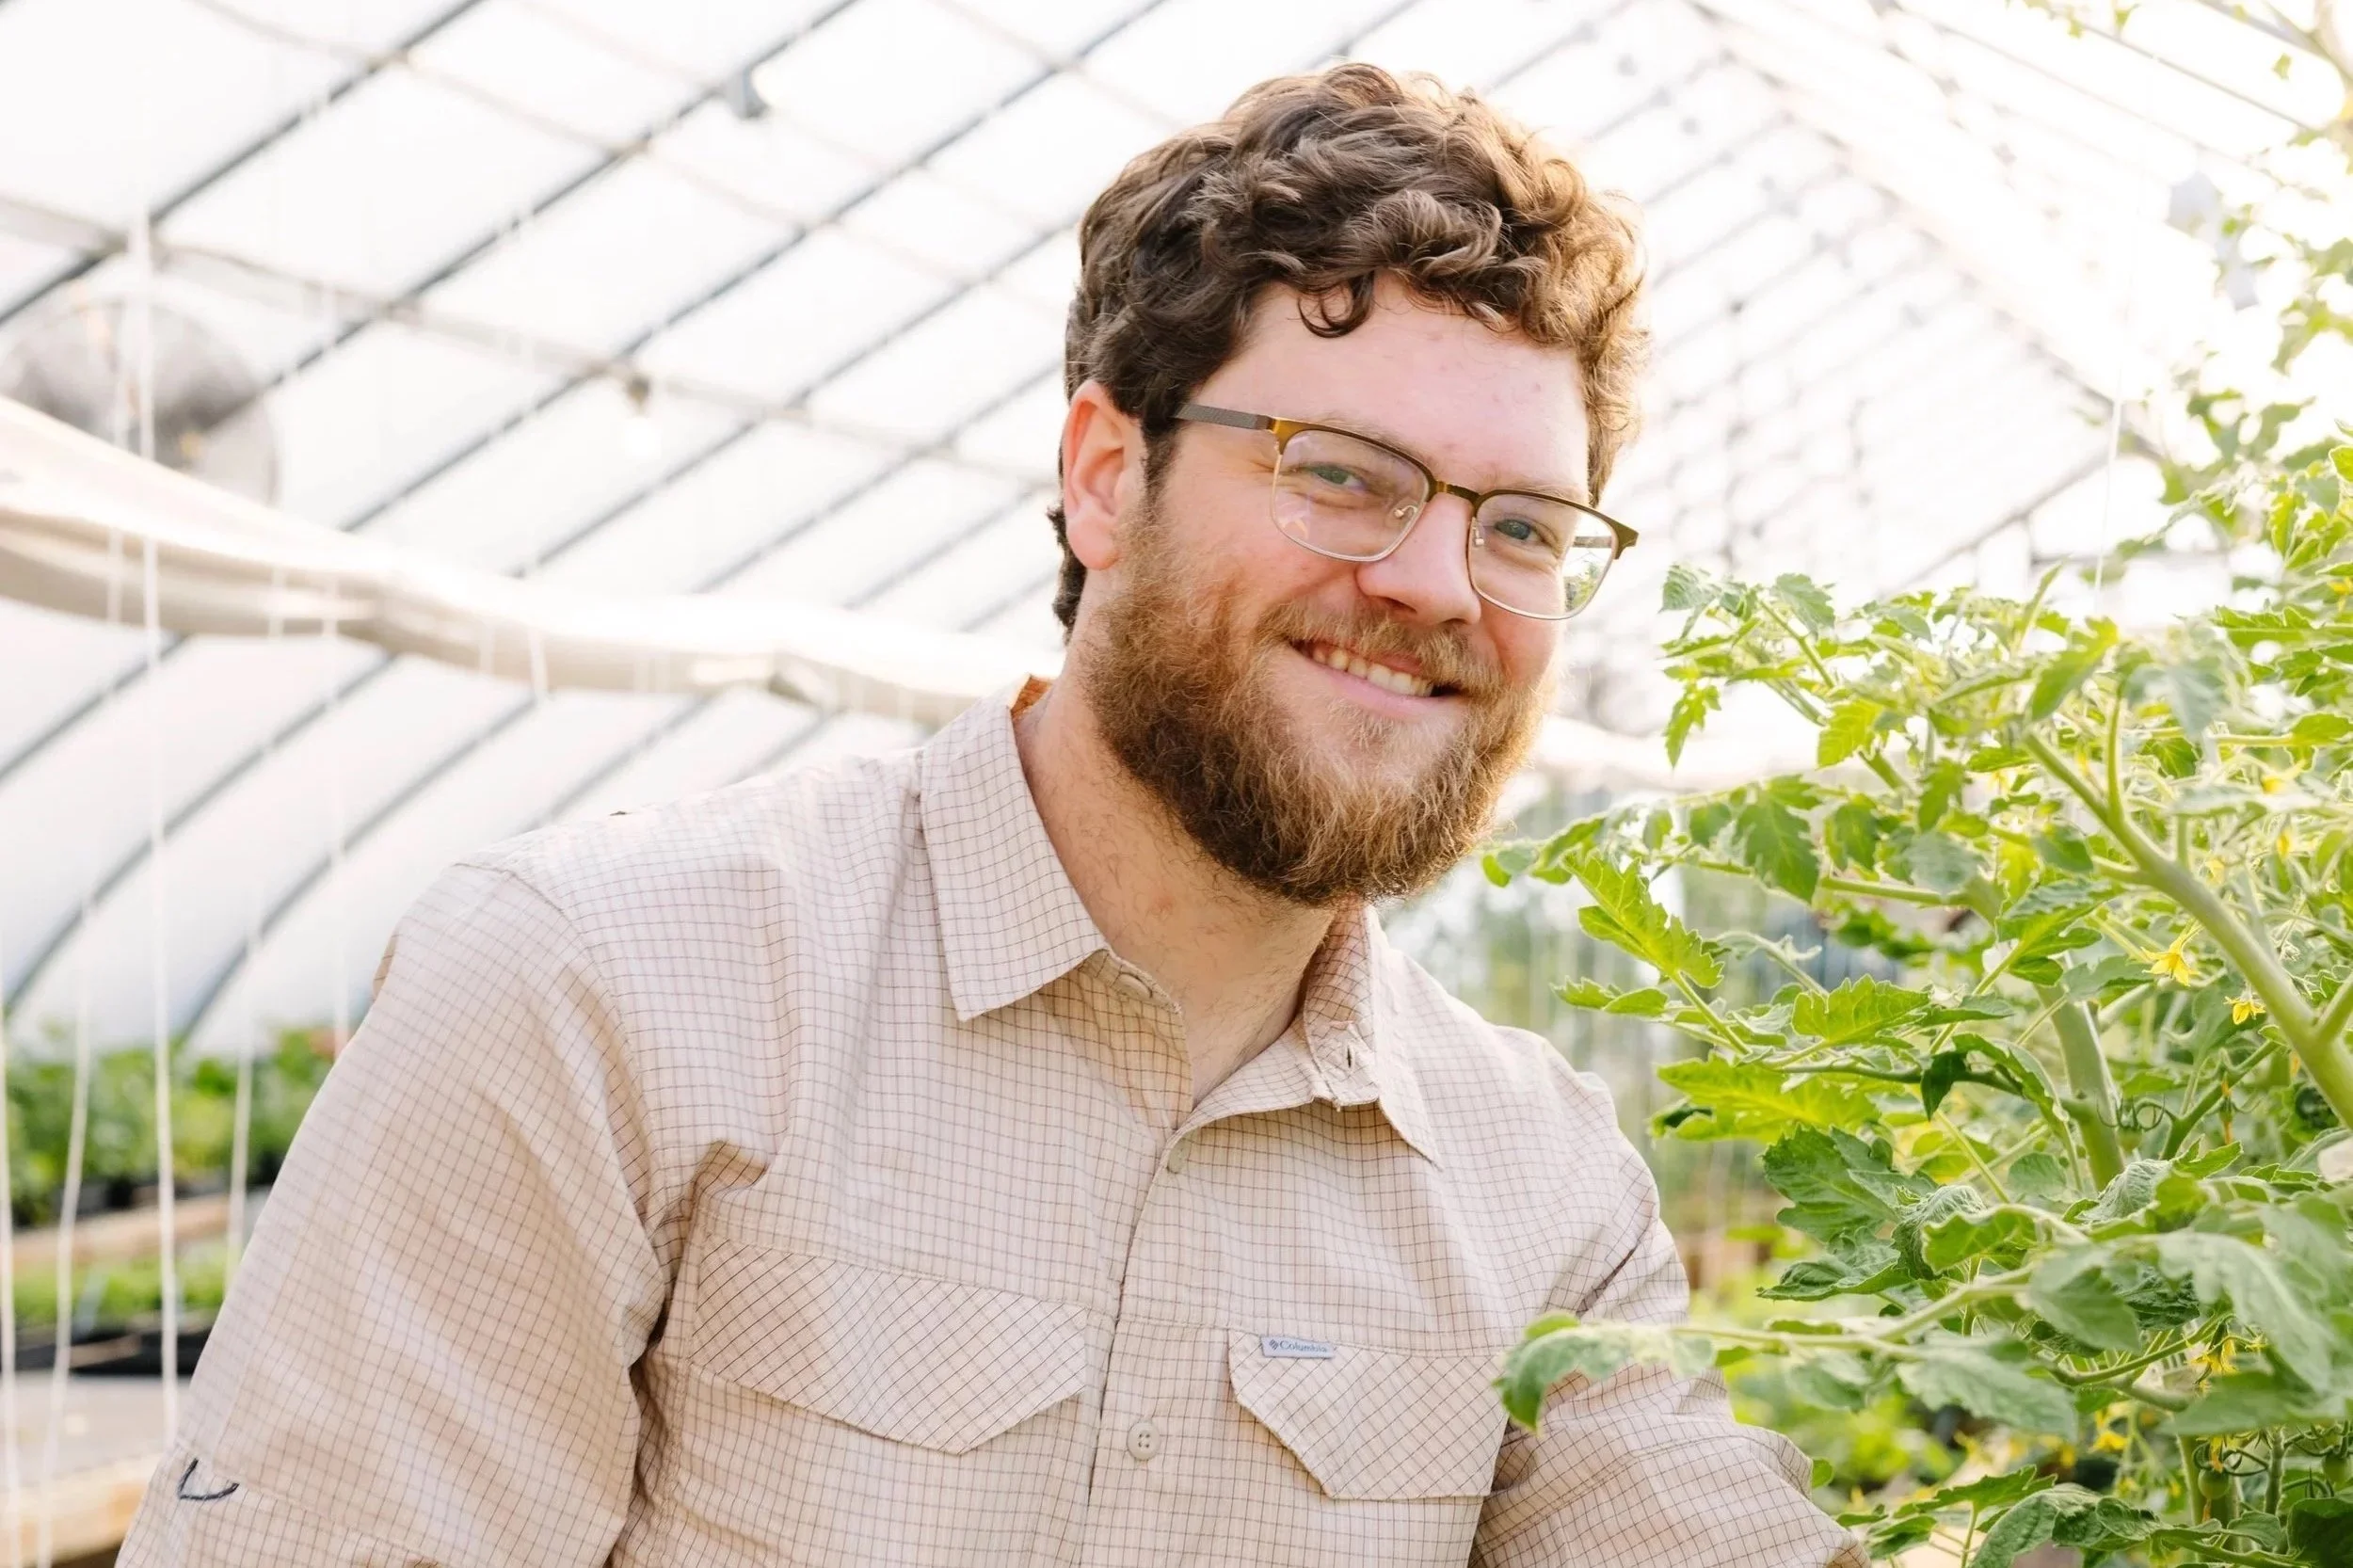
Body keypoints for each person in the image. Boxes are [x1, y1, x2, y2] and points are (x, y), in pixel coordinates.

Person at [121, 63, 1863, 1568]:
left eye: (1525, 530)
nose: (1435, 583)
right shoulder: (607, 993)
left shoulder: (1539, 1187)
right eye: (1342, 475)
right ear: (1107, 475)